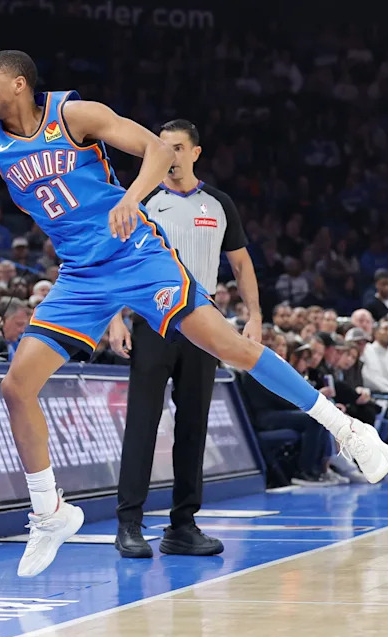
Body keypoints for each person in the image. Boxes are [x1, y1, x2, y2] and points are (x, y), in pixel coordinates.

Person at [0, 49, 388, 578]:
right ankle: (50, 511)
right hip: (81, 276)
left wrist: (131, 200)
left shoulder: (74, 115)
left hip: (137, 253)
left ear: (18, 81)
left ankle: (347, 430)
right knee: (18, 386)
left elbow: (153, 148)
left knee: (227, 347)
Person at [110, 119, 262, 558]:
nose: (170, 157)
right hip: (152, 320)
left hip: (204, 321)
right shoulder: (142, 199)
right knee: (142, 421)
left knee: (194, 424)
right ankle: (130, 524)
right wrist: (115, 320)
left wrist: (253, 317)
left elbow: (242, 265)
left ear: (195, 153)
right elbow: (115, 261)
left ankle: (182, 525)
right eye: (163, 148)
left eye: (178, 148)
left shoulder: (219, 203)